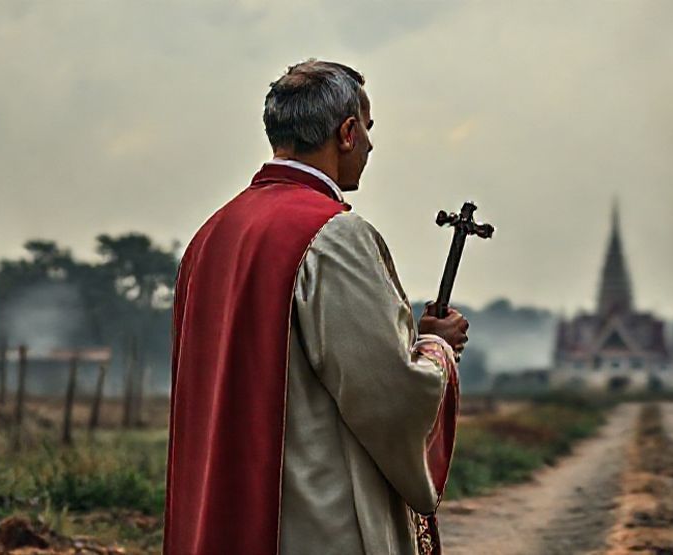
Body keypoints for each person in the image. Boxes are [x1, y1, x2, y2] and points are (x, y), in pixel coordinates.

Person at [163, 59, 468, 555]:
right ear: (347, 132)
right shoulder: (334, 236)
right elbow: (389, 394)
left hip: (223, 511)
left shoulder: (211, 235)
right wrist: (437, 348)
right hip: (315, 520)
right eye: (368, 128)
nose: (371, 145)